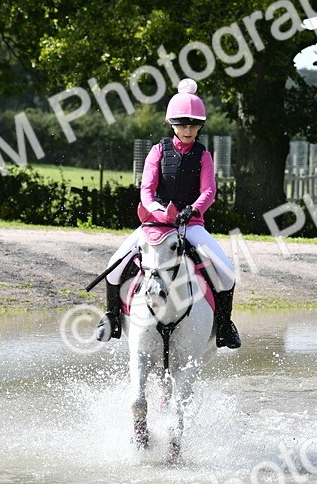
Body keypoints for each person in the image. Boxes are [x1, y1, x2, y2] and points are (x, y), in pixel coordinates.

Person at [95, 78, 241, 349]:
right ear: (172, 124)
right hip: (156, 225)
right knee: (114, 266)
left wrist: (192, 210)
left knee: (227, 273)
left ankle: (224, 326)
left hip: (190, 225)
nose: (188, 130)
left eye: (194, 125)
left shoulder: (204, 156)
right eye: (183, 124)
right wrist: (158, 211)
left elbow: (209, 191)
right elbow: (146, 190)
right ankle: (112, 318)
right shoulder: (158, 151)